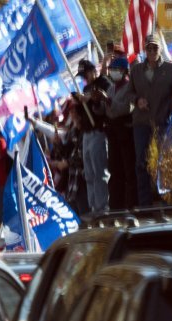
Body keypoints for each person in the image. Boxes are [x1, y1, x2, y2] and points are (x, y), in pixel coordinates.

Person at [128, 34, 172, 207]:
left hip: (162, 122)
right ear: (145, 50)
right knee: (140, 163)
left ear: (159, 49)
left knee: (163, 162)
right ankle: (145, 203)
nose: (151, 51)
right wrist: (137, 100)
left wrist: (169, 110)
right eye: (148, 48)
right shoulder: (136, 70)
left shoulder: (170, 69)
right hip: (141, 123)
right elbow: (128, 93)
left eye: (155, 48)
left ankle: (164, 200)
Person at [75, 60, 111, 215]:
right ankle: (93, 206)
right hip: (87, 133)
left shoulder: (103, 82)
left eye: (86, 74)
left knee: (99, 171)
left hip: (98, 131)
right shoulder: (85, 88)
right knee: (89, 173)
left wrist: (90, 98)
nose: (85, 78)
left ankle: (102, 206)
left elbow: (106, 101)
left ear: (92, 71)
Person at [103, 56, 138, 210]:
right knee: (114, 169)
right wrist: (100, 102)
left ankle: (131, 205)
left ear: (124, 71)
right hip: (113, 131)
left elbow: (127, 107)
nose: (113, 73)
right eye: (112, 70)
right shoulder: (111, 88)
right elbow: (107, 111)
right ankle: (115, 206)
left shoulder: (130, 86)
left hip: (125, 129)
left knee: (128, 169)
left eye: (116, 70)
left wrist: (110, 101)